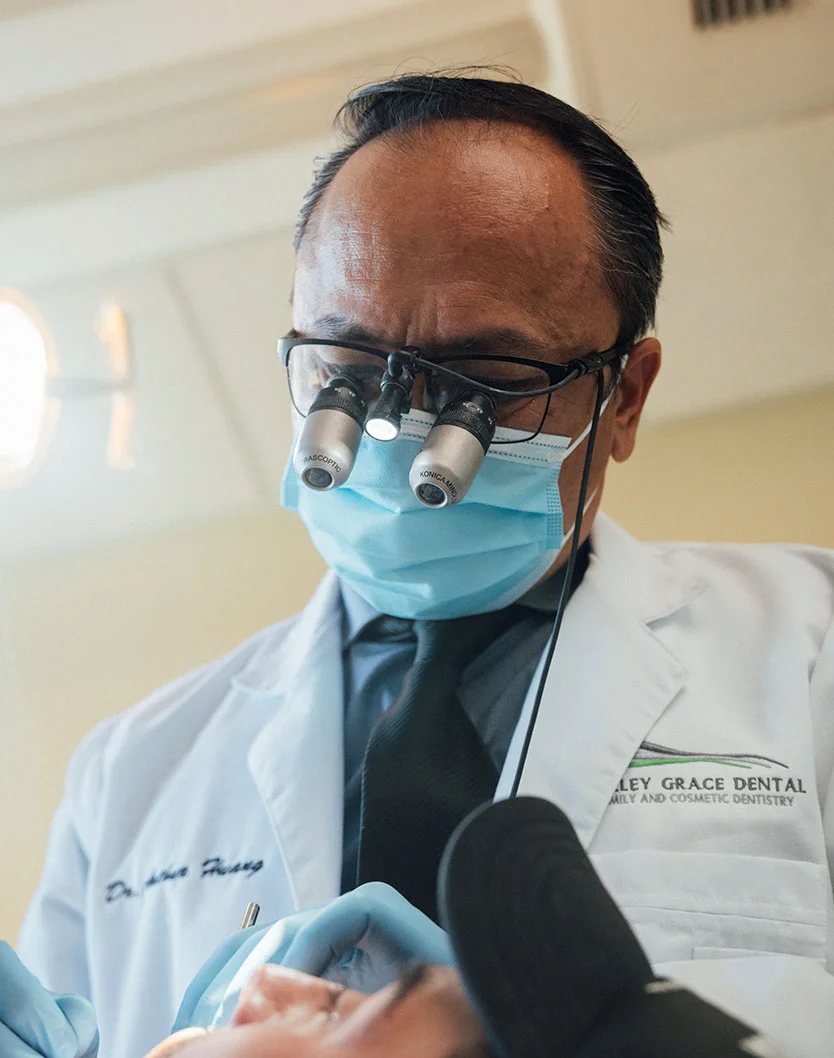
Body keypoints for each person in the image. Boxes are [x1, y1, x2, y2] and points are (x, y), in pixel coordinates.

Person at [6, 72, 833, 1058]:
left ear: (625, 399)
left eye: (486, 379)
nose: (397, 432)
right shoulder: (131, 774)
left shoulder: (809, 649)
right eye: (347, 371)